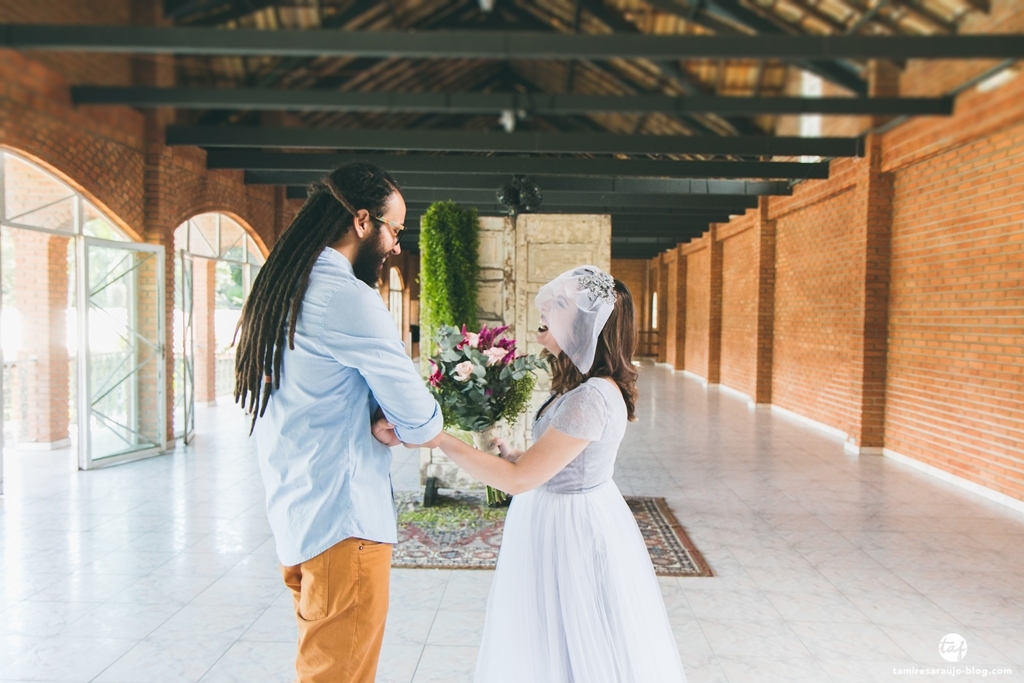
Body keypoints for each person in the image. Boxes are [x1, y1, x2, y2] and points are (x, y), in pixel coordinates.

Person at [233, 163, 443, 683]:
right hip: (344, 526)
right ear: (363, 221)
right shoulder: (346, 298)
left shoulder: (283, 287)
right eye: (395, 229)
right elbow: (420, 422)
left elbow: (313, 389)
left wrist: (369, 408)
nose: (396, 245)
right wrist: (393, 414)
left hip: (300, 513)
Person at [431, 266, 687, 683]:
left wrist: (439, 439)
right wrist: (517, 454)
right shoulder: (581, 389)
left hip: (570, 528)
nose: (547, 306)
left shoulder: (591, 397)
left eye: (563, 304)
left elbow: (518, 482)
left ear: (590, 328)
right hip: (562, 510)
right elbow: (552, 463)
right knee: (551, 635)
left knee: (571, 637)